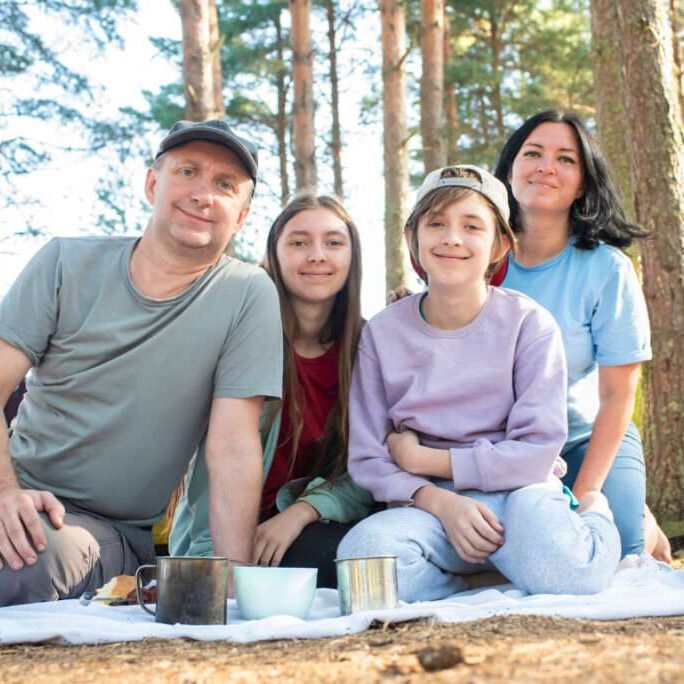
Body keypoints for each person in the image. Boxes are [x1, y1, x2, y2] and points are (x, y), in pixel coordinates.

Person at [0, 119, 283, 606]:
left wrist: (235, 591)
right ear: (153, 183)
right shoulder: (64, 264)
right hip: (14, 489)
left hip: (101, 528)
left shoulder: (247, 293)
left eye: (224, 185)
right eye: (188, 172)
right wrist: (6, 493)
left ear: (242, 214)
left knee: (26, 564)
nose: (203, 194)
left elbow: (233, 446)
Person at [337, 164, 621, 602]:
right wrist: (439, 500)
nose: (452, 238)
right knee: (361, 561)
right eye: (436, 224)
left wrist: (426, 459)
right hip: (427, 508)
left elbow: (536, 450)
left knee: (571, 577)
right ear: (412, 238)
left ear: (499, 244)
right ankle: (480, 580)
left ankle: (593, 517)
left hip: (519, 496)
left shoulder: (529, 324)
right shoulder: (382, 333)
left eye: (472, 226)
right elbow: (370, 458)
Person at [170, 195, 373, 587]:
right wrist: (220, 561)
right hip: (229, 535)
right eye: (298, 243)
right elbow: (218, 465)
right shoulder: (237, 337)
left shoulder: (369, 347)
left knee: (354, 554)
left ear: (352, 257)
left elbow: (368, 467)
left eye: (333, 243)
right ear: (273, 257)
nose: (317, 255)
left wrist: (302, 512)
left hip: (313, 524)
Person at [493, 110, 668, 561]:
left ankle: (644, 526)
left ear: (584, 182)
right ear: (510, 169)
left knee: (618, 549)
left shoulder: (607, 269)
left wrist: (586, 492)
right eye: (532, 153)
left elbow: (616, 398)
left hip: (586, 437)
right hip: (501, 447)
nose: (546, 167)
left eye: (565, 159)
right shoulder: (477, 261)